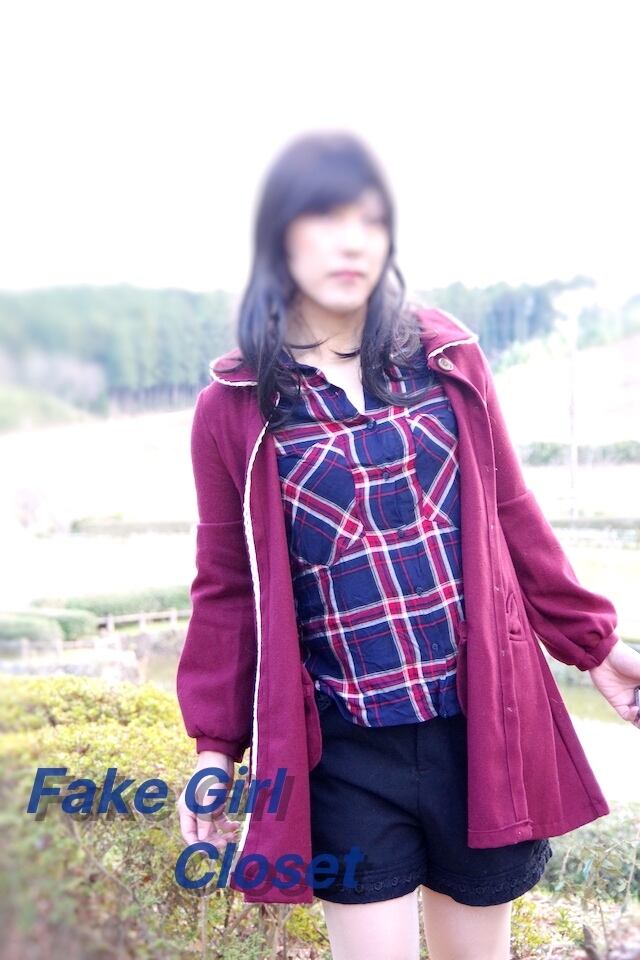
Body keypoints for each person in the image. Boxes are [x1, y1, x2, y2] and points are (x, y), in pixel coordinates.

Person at [176, 130, 640, 960]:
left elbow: (511, 513)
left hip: (478, 730)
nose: (352, 241)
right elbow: (227, 586)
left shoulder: (446, 358)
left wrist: (596, 647)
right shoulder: (235, 406)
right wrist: (216, 748)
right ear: (277, 235)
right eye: (325, 218)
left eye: (371, 220)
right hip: (343, 750)